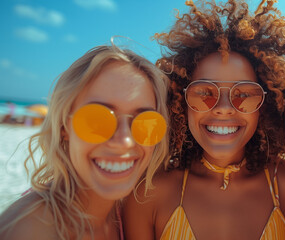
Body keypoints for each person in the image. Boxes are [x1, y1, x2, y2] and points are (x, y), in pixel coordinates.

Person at [124, 0, 285, 239]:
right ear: (180, 103)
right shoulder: (149, 194)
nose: (224, 109)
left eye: (244, 94)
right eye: (204, 92)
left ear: (264, 106)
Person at [0, 44, 170, 240]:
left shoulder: (127, 213)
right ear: (64, 126)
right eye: (97, 119)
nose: (124, 141)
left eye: (145, 122)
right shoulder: (27, 230)